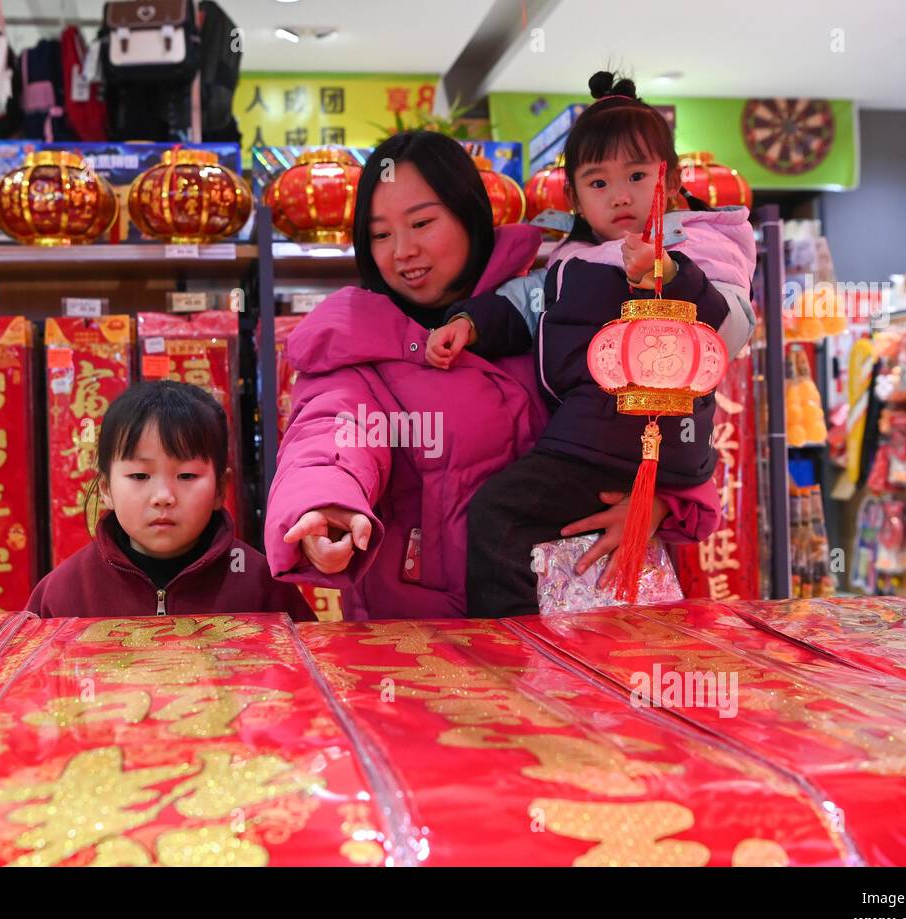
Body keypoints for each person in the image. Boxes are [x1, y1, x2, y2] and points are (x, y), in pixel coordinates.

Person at [264, 129, 718, 620]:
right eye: (380, 234)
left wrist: (657, 504)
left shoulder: (554, 307)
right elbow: (330, 436)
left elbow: (663, 411)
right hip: (426, 643)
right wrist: (327, 505)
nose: (402, 251)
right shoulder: (356, 345)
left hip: (581, 624)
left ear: (469, 215)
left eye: (421, 223)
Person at [429, 72, 754, 618]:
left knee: (498, 513)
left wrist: (671, 275)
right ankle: (571, 643)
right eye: (598, 183)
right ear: (575, 194)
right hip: (590, 437)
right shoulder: (573, 257)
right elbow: (526, 302)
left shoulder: (696, 241)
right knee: (562, 545)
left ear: (668, 180)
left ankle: (507, 640)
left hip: (629, 440)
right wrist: (470, 322)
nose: (620, 195)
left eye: (636, 175)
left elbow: (730, 332)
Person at [27, 380, 314, 620]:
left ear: (220, 489)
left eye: (187, 476)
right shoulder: (65, 592)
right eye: (140, 476)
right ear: (105, 489)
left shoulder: (261, 585)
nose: (163, 497)